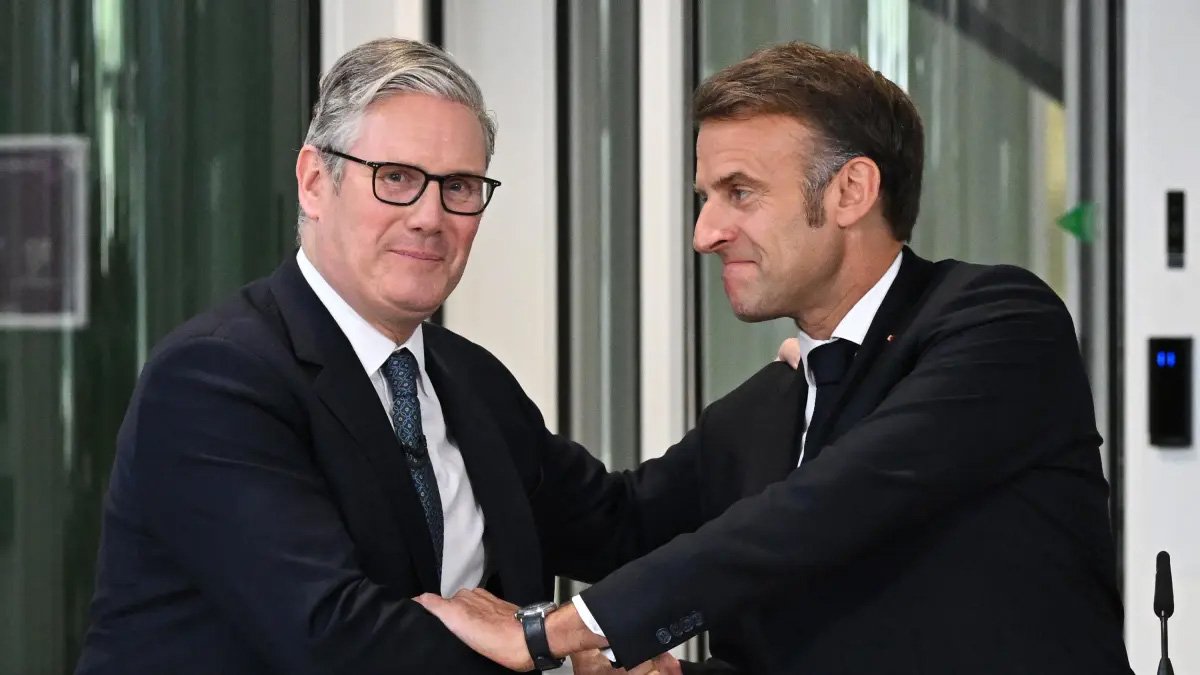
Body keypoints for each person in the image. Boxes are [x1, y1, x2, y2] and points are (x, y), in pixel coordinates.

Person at [415, 42, 1134, 674]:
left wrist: (550, 632)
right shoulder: (758, 414)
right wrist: (417, 350)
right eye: (705, 197)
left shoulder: (1001, 324)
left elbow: (819, 514)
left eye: (740, 192)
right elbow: (613, 524)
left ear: (851, 191)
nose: (705, 233)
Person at [75, 37, 683, 674]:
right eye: (396, 178)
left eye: (459, 186)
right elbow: (333, 638)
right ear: (315, 182)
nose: (430, 216)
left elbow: (623, 526)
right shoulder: (215, 378)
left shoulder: (471, 380)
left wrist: (773, 392)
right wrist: (548, 642)